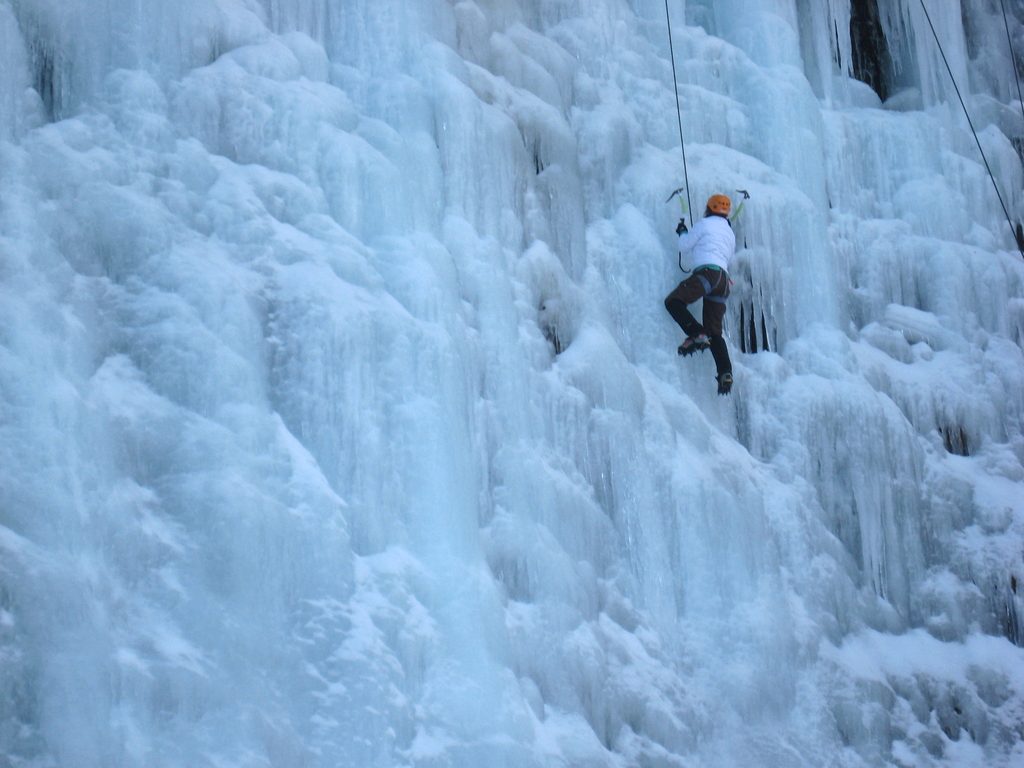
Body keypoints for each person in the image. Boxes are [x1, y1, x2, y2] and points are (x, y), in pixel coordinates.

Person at [664, 193, 735, 395]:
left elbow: (684, 246)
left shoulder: (704, 224)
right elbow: (727, 255)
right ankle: (725, 373)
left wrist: (682, 231)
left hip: (708, 274)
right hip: (724, 281)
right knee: (715, 333)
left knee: (673, 302)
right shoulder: (729, 233)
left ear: (709, 208)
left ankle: (696, 333)